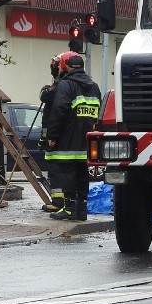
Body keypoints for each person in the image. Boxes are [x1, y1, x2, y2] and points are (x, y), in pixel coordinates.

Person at [44, 51, 101, 221]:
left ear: (65, 67)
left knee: (67, 174)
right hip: (87, 141)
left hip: (68, 140)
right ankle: (81, 210)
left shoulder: (65, 85)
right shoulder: (94, 86)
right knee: (83, 175)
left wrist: (52, 136)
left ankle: (69, 209)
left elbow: (59, 111)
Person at [38, 53, 65, 213]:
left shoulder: (59, 87)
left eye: (54, 66)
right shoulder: (67, 85)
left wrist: (47, 87)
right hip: (59, 136)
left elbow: (44, 96)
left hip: (57, 138)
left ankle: (58, 202)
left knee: (56, 170)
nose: (53, 69)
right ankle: (64, 202)